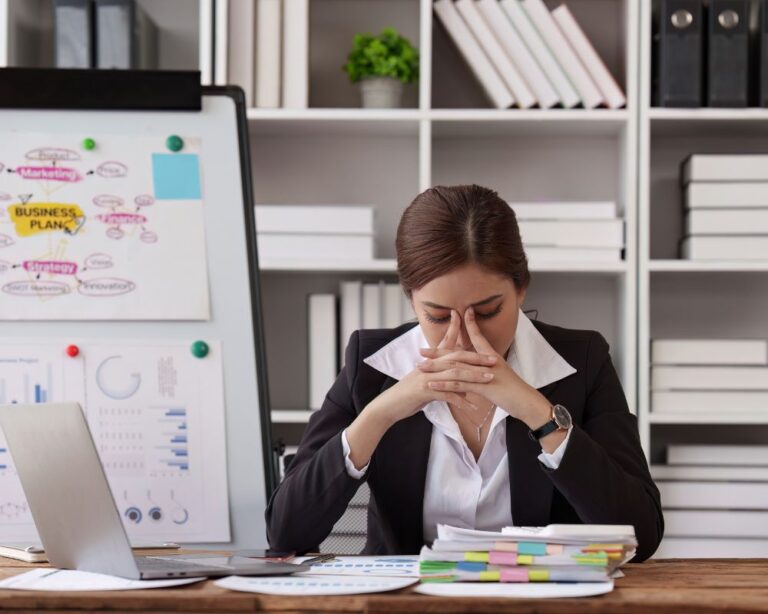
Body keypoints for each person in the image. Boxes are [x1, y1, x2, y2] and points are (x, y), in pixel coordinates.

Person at [265, 184, 663, 561]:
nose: (464, 337)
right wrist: (381, 413)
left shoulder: (583, 361)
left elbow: (641, 536)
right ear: (411, 300)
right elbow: (286, 534)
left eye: (488, 312)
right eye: (437, 317)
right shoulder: (370, 365)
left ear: (522, 288)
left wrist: (538, 414)